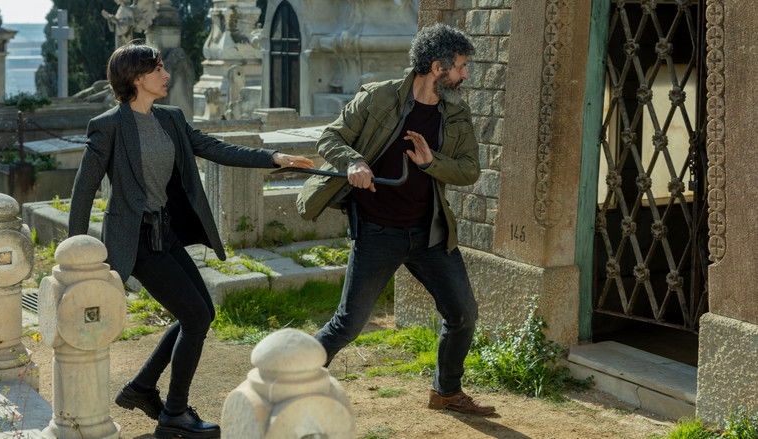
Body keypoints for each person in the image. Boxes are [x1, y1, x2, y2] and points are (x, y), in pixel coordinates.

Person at [68, 42, 313, 438]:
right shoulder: (108, 125)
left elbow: (214, 148)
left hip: (166, 233)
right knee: (196, 317)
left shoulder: (170, 118)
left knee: (201, 313)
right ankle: (175, 413)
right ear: (136, 77)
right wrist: (74, 255)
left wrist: (273, 158)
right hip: (136, 241)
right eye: (158, 69)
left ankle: (142, 389)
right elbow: (83, 190)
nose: (166, 75)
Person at [296, 24, 494, 415]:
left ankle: (446, 392)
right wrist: (354, 161)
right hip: (377, 231)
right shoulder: (379, 97)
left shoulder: (456, 111)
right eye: (460, 66)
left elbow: (470, 169)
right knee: (348, 324)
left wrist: (431, 162)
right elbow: (330, 138)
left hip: (429, 231)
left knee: (463, 313)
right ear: (437, 67)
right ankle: (290, 381)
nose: (465, 74)